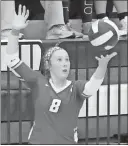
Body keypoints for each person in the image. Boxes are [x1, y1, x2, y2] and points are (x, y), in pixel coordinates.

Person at [5, 5, 117, 144]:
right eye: (59, 59)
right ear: (48, 65)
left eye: (67, 60)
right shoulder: (37, 81)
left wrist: (102, 66)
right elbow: (11, 59)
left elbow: (92, 86)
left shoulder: (76, 88)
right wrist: (15, 31)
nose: (65, 63)